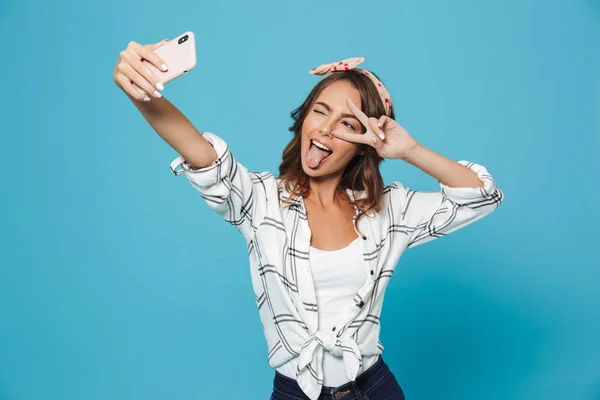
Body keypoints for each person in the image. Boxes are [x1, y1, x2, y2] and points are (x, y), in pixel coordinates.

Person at [113, 39, 504, 400]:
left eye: (348, 124)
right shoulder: (260, 201)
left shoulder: (388, 209)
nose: (327, 129)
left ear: (364, 144)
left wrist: (410, 149)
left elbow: (480, 196)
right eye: (320, 111)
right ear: (303, 120)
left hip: (375, 388)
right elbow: (197, 150)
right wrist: (141, 92)